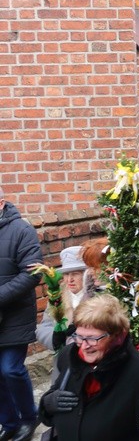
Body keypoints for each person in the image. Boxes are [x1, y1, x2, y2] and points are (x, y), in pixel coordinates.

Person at [38, 294, 139, 441]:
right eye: (80, 336)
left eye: (93, 339)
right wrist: (47, 404)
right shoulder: (69, 356)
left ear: (118, 336)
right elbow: (53, 402)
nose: (85, 345)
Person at [0, 187, 42, 441]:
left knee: (10, 369)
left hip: (15, 315)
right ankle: (9, 422)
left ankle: (29, 417)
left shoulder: (22, 230)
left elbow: (33, 273)